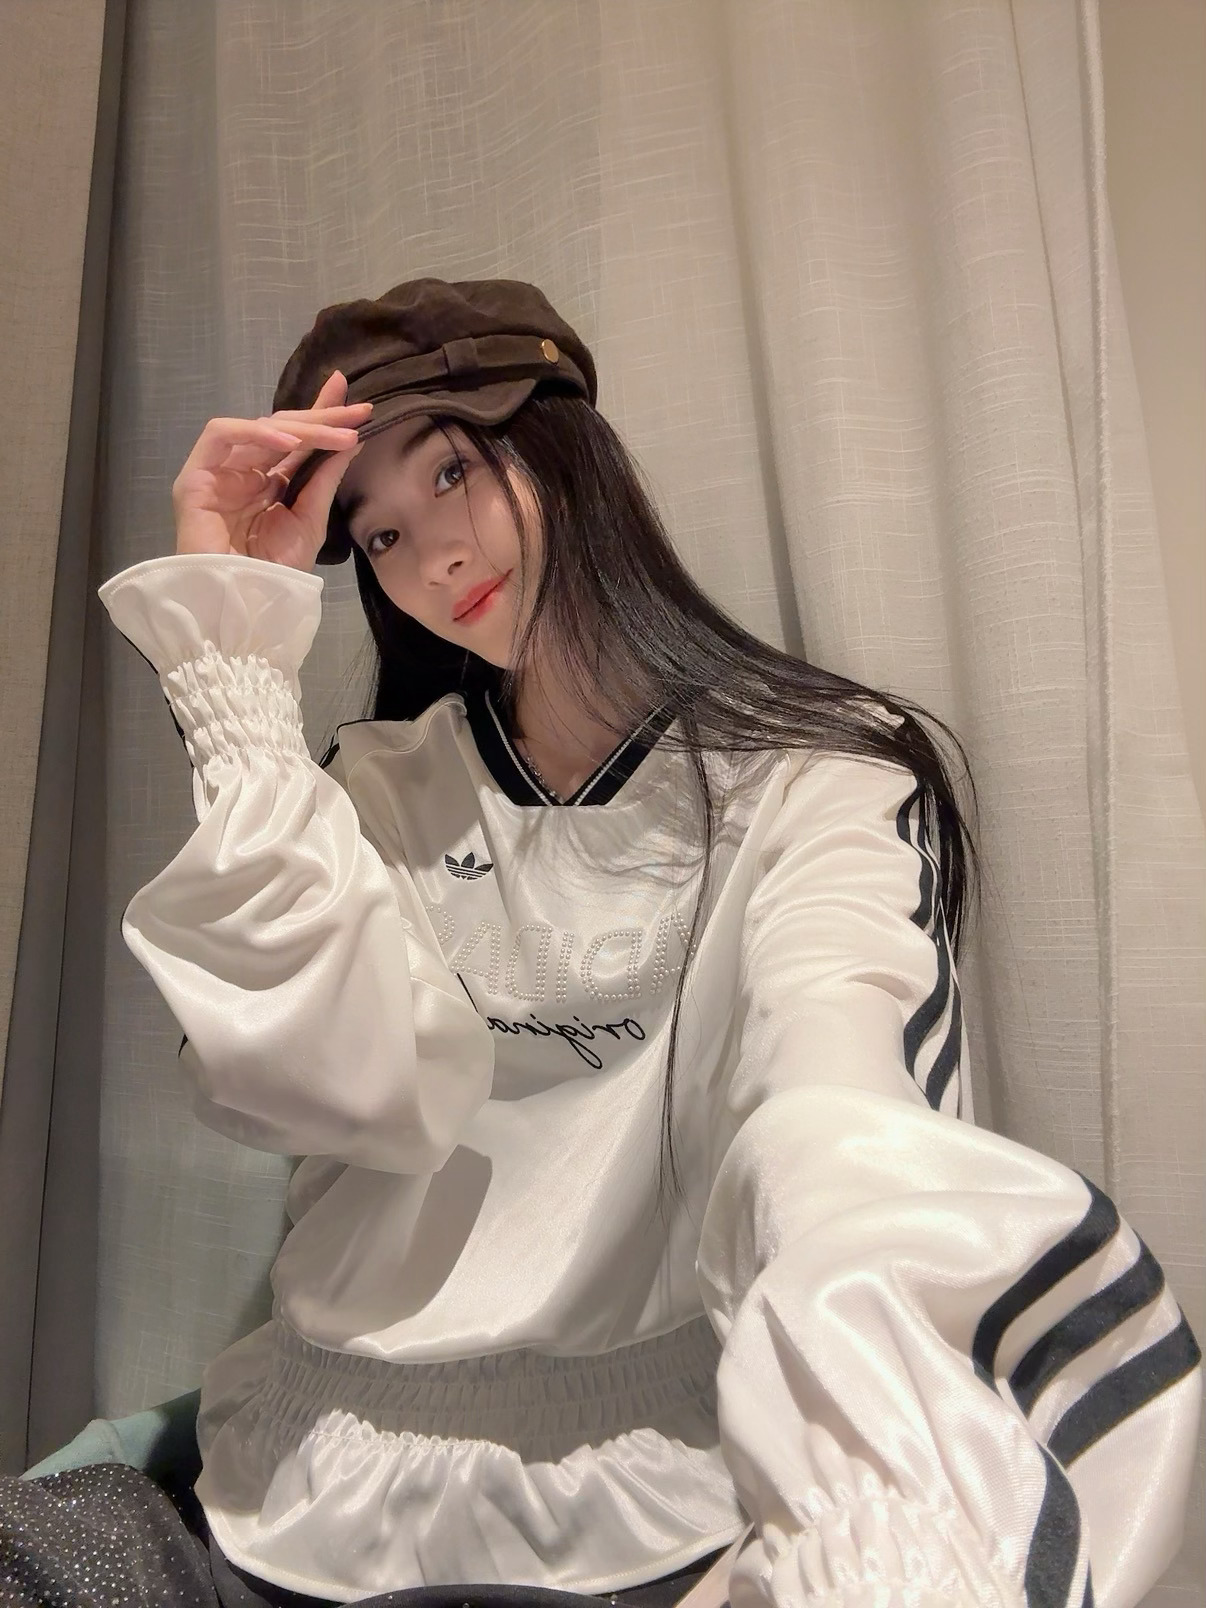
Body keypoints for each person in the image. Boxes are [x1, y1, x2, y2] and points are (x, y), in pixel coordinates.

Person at [2, 279, 1198, 1608]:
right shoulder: (372, 792)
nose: (432, 557)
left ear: (568, 447)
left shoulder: (819, 782)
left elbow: (836, 1115)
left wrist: (884, 1498)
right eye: (379, 532)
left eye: (451, 470)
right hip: (306, 1486)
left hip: (653, 1512)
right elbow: (334, 1085)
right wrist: (232, 662)